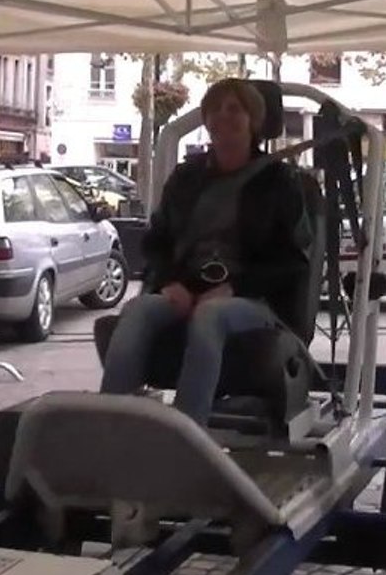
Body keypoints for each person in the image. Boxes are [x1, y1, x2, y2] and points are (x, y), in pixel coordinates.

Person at [100, 78, 313, 425]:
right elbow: (157, 241)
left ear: (254, 120)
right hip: (186, 289)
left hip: (253, 298)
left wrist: (234, 288)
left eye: (234, 109)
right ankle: (111, 425)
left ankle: (187, 431)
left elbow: (292, 263)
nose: (222, 117)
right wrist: (170, 281)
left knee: (210, 317)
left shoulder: (279, 182)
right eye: (215, 109)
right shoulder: (186, 178)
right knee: (137, 311)